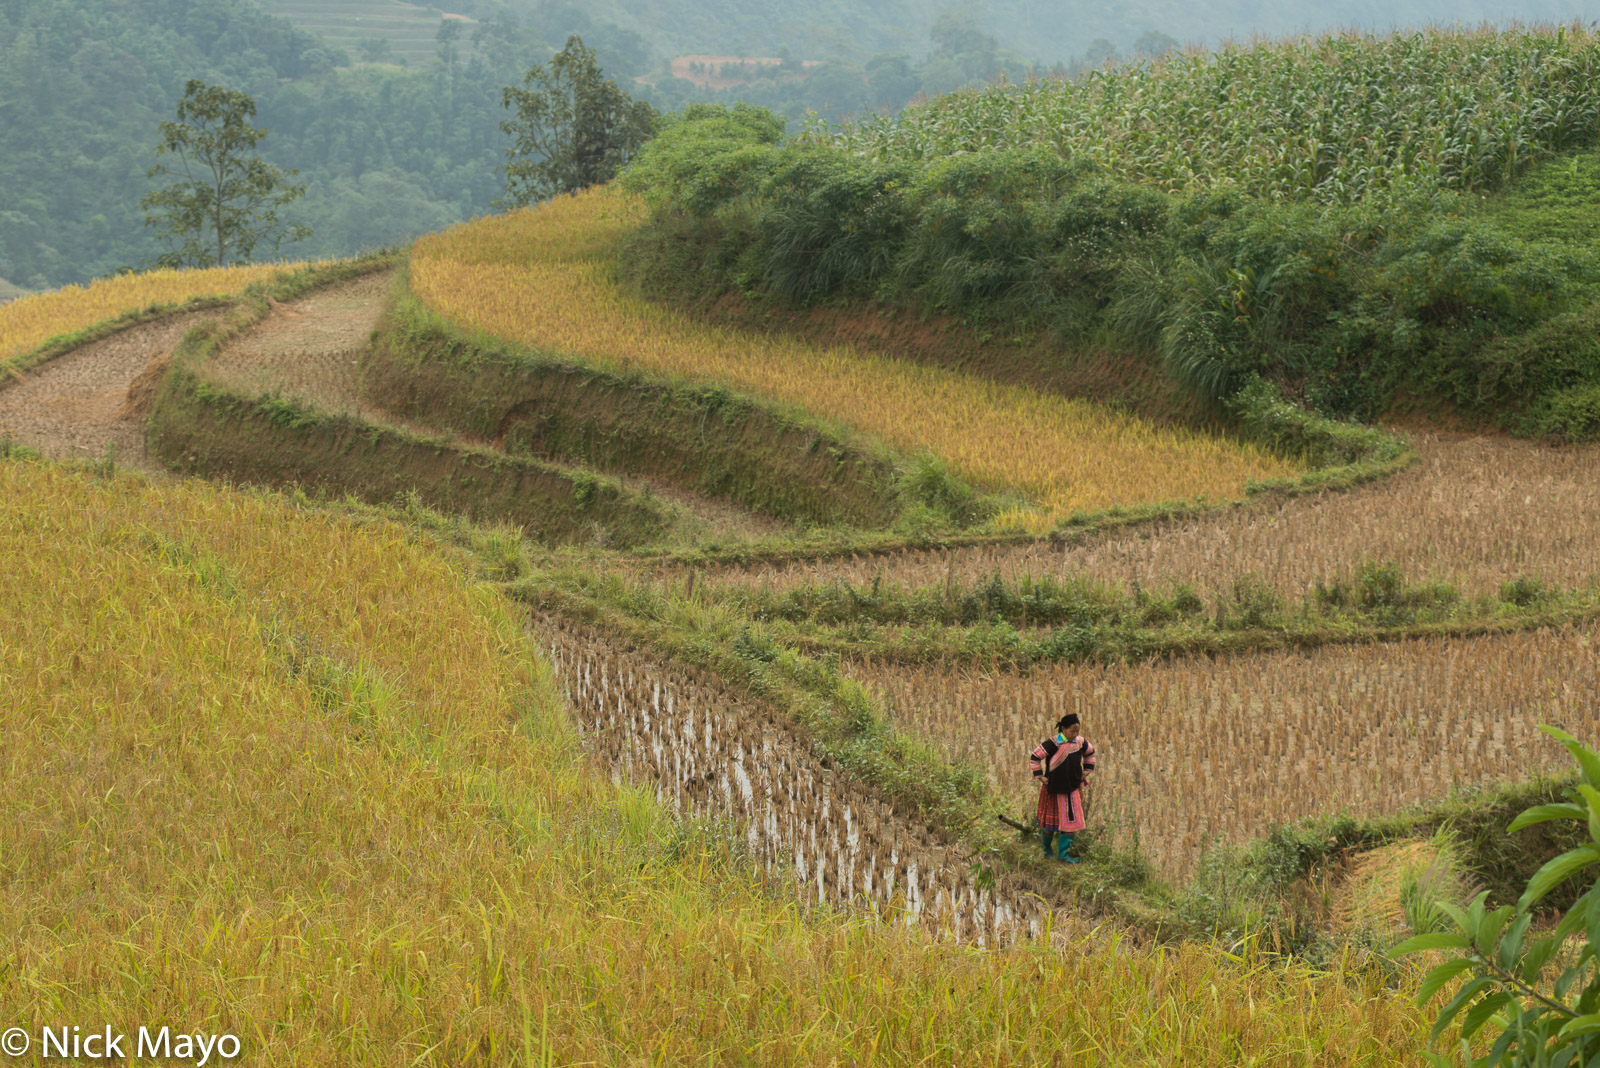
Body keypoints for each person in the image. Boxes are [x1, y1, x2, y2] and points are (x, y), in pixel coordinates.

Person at [1030, 713, 1096, 863]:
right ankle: (1046, 850)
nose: (1075, 734)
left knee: (1070, 824)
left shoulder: (1080, 742)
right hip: (1053, 789)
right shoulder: (1052, 743)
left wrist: (1085, 772)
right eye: (1072, 731)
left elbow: (1090, 754)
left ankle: (1064, 854)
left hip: (1072, 789)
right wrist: (1040, 777)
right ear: (1063, 729)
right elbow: (1035, 757)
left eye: (1077, 731)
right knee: (1049, 823)